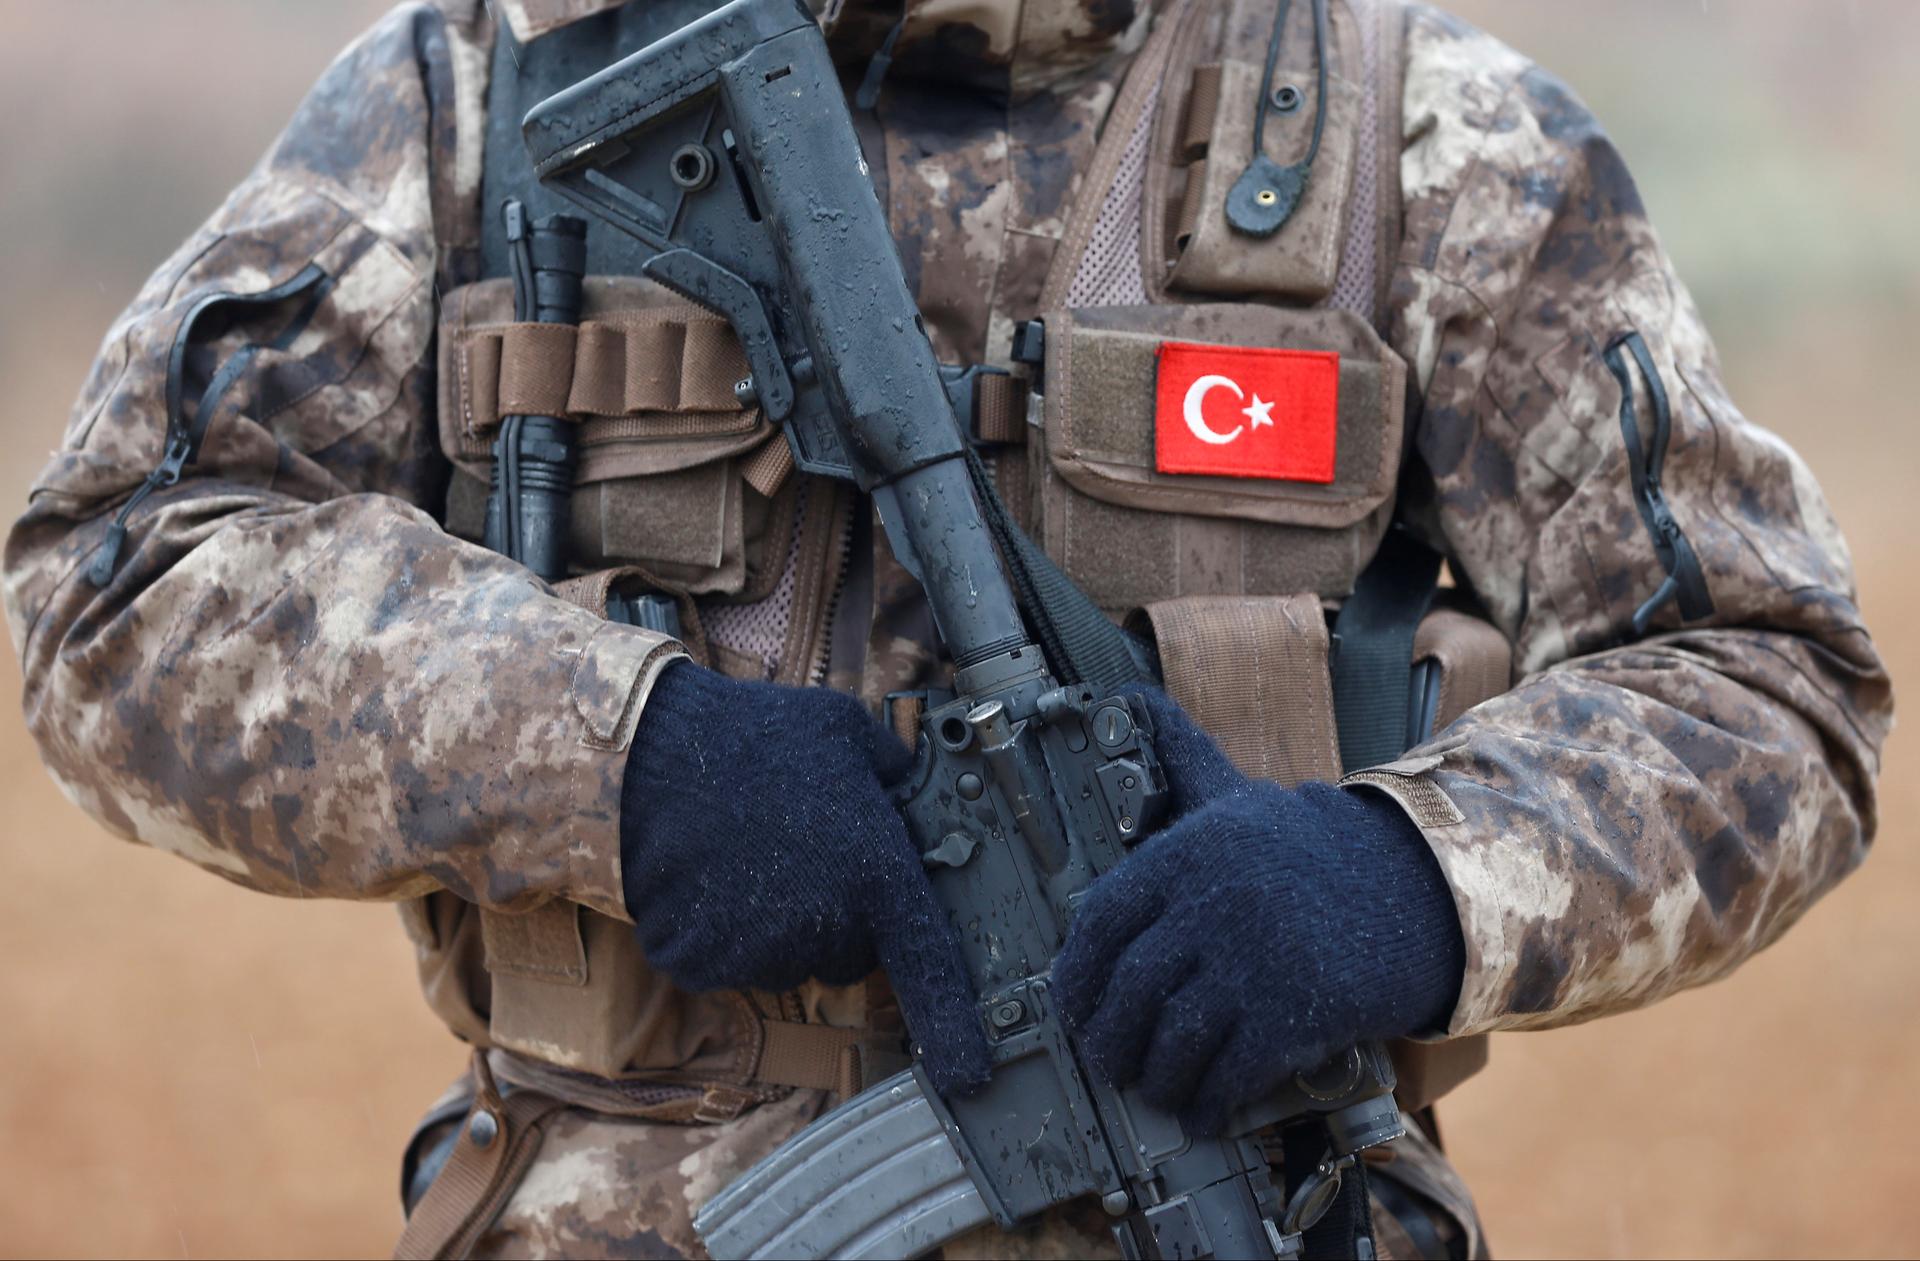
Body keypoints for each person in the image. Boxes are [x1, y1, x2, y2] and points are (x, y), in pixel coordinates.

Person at [3, 0, 1889, 1256]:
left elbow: (1766, 673)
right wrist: (617, 755)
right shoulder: (494, 93)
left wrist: (1405, 876)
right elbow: (111, 575)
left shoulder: (1424, 138)